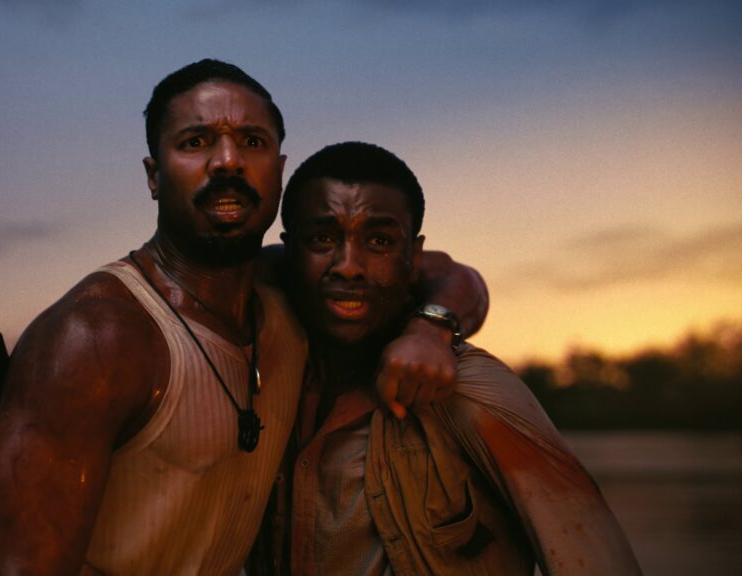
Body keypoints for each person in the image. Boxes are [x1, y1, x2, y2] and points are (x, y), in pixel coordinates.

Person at [0, 61, 487, 575]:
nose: (227, 162)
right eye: (196, 142)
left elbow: (446, 273)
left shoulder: (287, 289)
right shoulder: (94, 339)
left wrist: (430, 329)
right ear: (154, 175)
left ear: (279, 173)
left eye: (252, 142)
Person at [268, 141, 642, 575]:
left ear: (413, 259)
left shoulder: (470, 389)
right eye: (321, 238)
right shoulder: (263, 382)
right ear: (289, 251)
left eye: (379, 241)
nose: (348, 265)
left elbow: (594, 559)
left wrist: (431, 328)